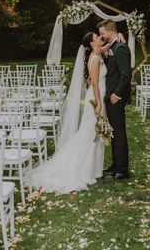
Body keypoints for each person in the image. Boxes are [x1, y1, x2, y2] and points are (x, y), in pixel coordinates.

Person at [26, 32, 107, 193]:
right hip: (96, 97)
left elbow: (102, 53)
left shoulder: (96, 54)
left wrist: (116, 39)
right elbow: (96, 84)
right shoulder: (95, 59)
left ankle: (94, 168)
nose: (100, 38)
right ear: (92, 43)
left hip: (96, 95)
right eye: (97, 37)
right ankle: (86, 169)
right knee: (90, 132)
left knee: (92, 131)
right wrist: (98, 105)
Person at [97, 19, 131, 180]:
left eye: (103, 34)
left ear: (110, 32)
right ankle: (116, 164)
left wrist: (116, 95)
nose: (101, 36)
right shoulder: (113, 47)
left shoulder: (121, 48)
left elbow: (126, 75)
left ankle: (122, 169)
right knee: (114, 132)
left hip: (115, 98)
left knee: (119, 131)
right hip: (110, 97)